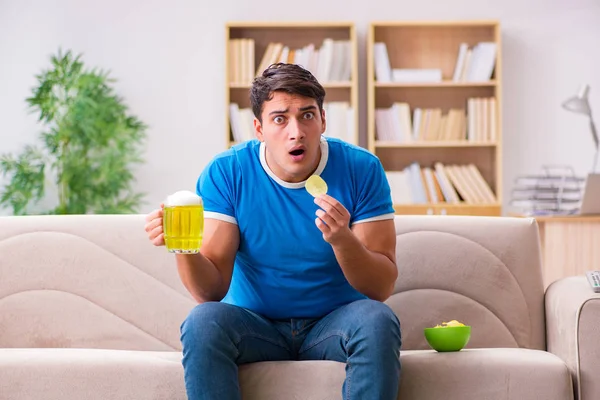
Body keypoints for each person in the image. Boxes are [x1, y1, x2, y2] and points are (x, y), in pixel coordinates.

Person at [144, 62, 401, 400]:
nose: (296, 132)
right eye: (280, 119)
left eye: (307, 116)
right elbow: (211, 292)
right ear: (259, 129)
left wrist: (342, 239)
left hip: (335, 324)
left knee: (378, 319)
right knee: (203, 320)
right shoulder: (228, 172)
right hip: (255, 325)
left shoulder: (361, 168)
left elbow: (380, 287)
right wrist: (183, 246)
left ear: (323, 120)